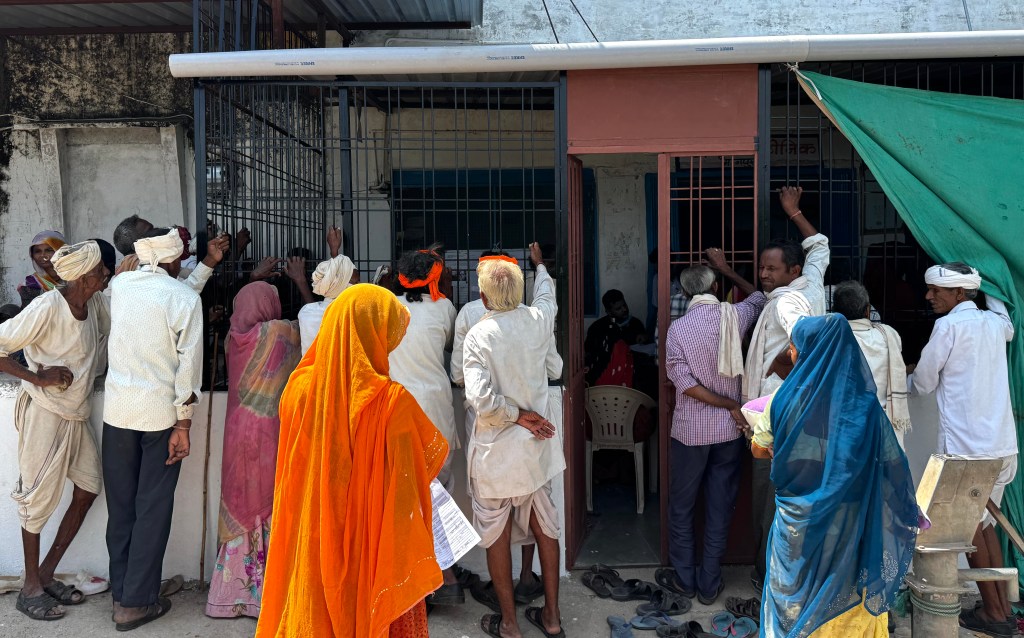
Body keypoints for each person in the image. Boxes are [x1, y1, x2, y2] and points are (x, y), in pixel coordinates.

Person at [256, 284, 447, 638]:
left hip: (310, 538)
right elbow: (413, 479)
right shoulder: (393, 405)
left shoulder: (296, 390)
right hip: (369, 551)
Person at [760, 315, 917, 638]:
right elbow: (890, 461)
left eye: (793, 347)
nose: (790, 353)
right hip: (850, 520)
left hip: (797, 519)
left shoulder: (784, 399)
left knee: (792, 590)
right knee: (845, 587)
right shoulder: (863, 406)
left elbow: (760, 449)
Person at [0, 241, 110, 621]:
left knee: (88, 489)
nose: (105, 276)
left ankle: (45, 575)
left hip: (76, 415)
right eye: (100, 272)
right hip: (44, 414)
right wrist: (36, 376)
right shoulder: (46, 307)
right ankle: (30, 588)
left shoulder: (95, 303)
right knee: (35, 503)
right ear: (82, 277)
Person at [908, 262, 1017, 638]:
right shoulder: (994, 324)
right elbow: (1006, 317)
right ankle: (999, 611)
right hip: (1001, 447)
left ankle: (994, 611)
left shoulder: (948, 327)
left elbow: (922, 383)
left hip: (966, 453)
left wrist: (903, 373)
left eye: (937, 290)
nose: (929, 296)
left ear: (959, 294)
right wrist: (988, 275)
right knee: (985, 527)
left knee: (968, 532)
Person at [103, 227, 203, 631]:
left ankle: (123, 590)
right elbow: (188, 369)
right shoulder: (184, 297)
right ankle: (135, 602)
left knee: (122, 508)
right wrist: (184, 423)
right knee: (152, 509)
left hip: (118, 414)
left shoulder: (121, 286)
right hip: (160, 417)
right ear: (174, 260)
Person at [463, 243, 565, 638]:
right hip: (536, 451)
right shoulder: (538, 319)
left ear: (483, 296)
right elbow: (547, 295)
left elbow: (481, 401)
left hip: (496, 457)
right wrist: (540, 265)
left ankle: (509, 623)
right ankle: (552, 618)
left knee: (497, 536)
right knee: (546, 529)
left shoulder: (478, 334)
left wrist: (514, 416)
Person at [658, 251, 766, 605]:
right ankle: (709, 584)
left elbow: (684, 384)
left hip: (690, 432)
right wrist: (727, 269)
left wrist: (724, 403)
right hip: (729, 433)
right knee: (720, 507)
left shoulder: (678, 329)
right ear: (715, 287)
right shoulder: (734, 315)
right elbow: (762, 297)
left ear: (684, 293)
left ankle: (686, 580)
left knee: (682, 506)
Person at [743, 185, 830, 592]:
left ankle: (769, 582)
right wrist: (794, 212)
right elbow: (819, 247)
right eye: (761, 267)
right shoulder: (810, 283)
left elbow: (806, 341)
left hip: (777, 420)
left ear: (791, 271)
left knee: (769, 500)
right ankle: (789, 578)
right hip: (808, 420)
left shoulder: (785, 303)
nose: (763, 275)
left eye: (771, 269)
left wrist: (782, 365)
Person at [206, 282, 301, 619]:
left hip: (236, 433)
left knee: (240, 502)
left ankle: (230, 596)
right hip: (269, 432)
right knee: (267, 506)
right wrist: (302, 283)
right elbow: (310, 325)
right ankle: (268, 594)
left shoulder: (234, 335)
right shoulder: (280, 332)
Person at [386, 247, 461, 603]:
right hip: (433, 408)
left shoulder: (387, 307)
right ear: (435, 278)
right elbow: (446, 344)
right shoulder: (445, 308)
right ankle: (444, 577)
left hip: (397, 409)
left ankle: (416, 580)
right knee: (437, 491)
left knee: (404, 495)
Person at [832, 281, 911, 448]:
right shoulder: (888, 335)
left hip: (844, 425)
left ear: (834, 311)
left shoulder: (831, 340)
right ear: (867, 310)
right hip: (883, 424)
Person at [297, 226, 358, 355]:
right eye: (356, 282)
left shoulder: (307, 312)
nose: (359, 286)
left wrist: (334, 251)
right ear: (342, 286)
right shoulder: (353, 315)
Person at [584, 289, 648, 386]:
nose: (624, 309)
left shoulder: (635, 323)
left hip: (632, 371)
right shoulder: (597, 327)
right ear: (609, 312)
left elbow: (646, 348)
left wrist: (644, 338)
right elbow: (589, 351)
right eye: (618, 309)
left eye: (624, 305)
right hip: (605, 372)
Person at [17, 230, 66, 307]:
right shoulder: (30, 285)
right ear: (32, 255)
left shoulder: (76, 279)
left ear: (61, 251)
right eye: (37, 251)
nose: (43, 255)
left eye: (49, 250)